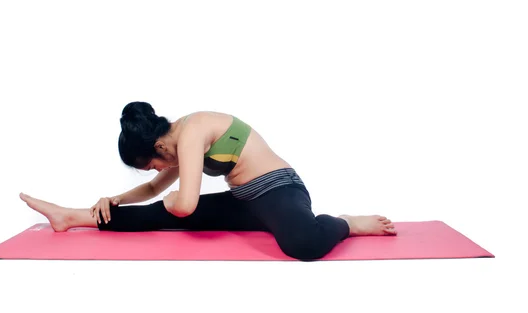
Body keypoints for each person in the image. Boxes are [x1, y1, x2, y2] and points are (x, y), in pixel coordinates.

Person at [20, 101, 397, 261]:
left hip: (279, 189)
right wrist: (112, 199)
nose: (152, 171)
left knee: (303, 244)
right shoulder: (179, 142)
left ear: (155, 147)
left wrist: (168, 206)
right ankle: (70, 216)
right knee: (156, 214)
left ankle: (348, 223)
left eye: (146, 163)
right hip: (246, 203)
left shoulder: (192, 131)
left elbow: (182, 204)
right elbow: (155, 191)